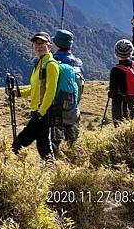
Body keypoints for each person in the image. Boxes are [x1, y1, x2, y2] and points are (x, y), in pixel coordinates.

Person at [10, 32, 59, 161]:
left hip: (43, 112)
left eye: (42, 43)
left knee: (18, 144)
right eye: (36, 43)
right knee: (43, 145)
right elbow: (35, 88)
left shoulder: (51, 65)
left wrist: (41, 112)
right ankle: (52, 171)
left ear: (49, 45)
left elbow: (50, 92)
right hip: (39, 111)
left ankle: (12, 171)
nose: (39, 46)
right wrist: (19, 92)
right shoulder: (39, 64)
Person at [51, 29, 84, 152]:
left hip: (56, 110)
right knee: (73, 145)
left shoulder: (52, 62)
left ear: (56, 44)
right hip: (73, 109)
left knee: (54, 145)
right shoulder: (78, 64)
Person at [109, 17, 134, 125]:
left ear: (116, 54)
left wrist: (110, 93)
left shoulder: (115, 71)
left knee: (121, 125)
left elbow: (113, 93)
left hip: (121, 107)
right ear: (131, 52)